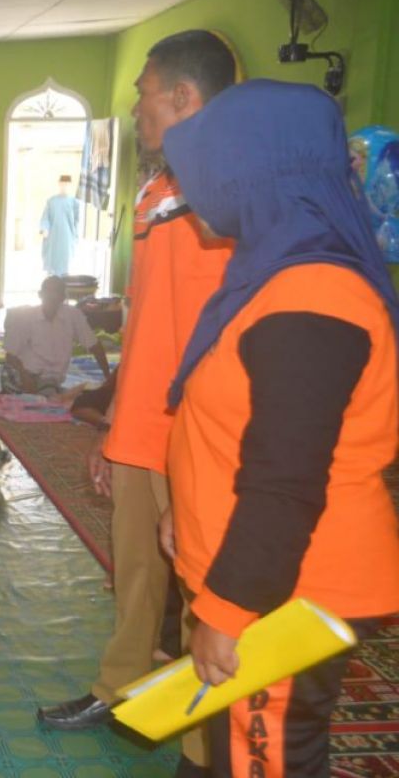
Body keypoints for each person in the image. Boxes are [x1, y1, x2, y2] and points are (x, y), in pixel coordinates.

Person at [160, 79, 399, 778]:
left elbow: (286, 483)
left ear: (253, 171)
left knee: (270, 762)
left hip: (284, 596)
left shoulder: (314, 303)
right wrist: (183, 503)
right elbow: (237, 423)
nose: (190, 190)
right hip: (262, 577)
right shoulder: (277, 275)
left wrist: (230, 611)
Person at [37, 30, 236, 778]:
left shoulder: (226, 195)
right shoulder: (157, 189)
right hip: (143, 420)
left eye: (143, 88)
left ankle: (200, 745)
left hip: (200, 428)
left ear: (182, 97)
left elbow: (219, 335)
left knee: (201, 589)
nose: (134, 102)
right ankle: (117, 691)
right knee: (135, 571)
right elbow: (152, 325)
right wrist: (117, 421)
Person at [3, 275, 110, 395]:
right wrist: (24, 375)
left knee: (76, 397)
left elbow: (95, 346)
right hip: (24, 373)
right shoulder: (26, 317)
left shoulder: (73, 316)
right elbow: (10, 356)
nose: (53, 296)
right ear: (40, 294)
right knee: (48, 399)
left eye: (57, 293)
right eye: (49, 292)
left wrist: (108, 377)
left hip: (51, 380)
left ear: (63, 297)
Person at [40, 175, 81, 277]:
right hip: (53, 238)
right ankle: (52, 288)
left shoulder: (74, 202)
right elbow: (45, 217)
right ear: (59, 184)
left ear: (70, 185)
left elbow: (76, 221)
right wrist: (45, 229)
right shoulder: (51, 201)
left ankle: (64, 289)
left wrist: (75, 236)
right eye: (62, 184)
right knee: (53, 268)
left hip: (67, 239)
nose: (64, 186)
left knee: (65, 266)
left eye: (67, 184)